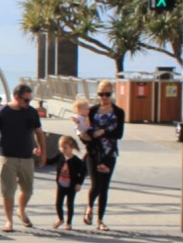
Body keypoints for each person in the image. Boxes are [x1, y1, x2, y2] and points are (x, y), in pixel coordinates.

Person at [0, 82, 47, 232]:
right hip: (7, 156)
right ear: (16, 97)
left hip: (27, 157)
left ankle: (21, 210)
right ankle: (9, 221)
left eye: (30, 100)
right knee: (8, 191)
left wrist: (43, 152)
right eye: (26, 100)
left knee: (28, 190)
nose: (28, 103)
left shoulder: (31, 112)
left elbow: (39, 133)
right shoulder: (2, 112)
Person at [82, 80, 126, 232]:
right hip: (94, 152)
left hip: (109, 153)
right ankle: (89, 207)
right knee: (96, 184)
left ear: (112, 94)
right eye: (101, 94)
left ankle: (100, 220)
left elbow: (119, 134)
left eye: (107, 94)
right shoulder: (92, 111)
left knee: (104, 187)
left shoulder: (118, 112)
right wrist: (84, 136)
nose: (104, 98)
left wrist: (103, 132)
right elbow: (86, 130)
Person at [45, 135, 87, 230]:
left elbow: (83, 172)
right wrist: (40, 155)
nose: (62, 149)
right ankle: (60, 219)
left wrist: (79, 183)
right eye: (60, 147)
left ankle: (69, 223)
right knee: (58, 203)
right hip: (61, 184)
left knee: (69, 204)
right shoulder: (60, 156)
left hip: (71, 186)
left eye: (65, 147)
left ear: (71, 147)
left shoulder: (76, 161)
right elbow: (49, 161)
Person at [71, 95, 108, 173]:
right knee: (92, 146)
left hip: (86, 132)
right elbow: (76, 120)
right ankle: (95, 163)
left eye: (88, 108)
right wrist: (75, 120)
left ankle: (85, 165)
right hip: (83, 133)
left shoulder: (85, 116)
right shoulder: (78, 116)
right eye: (86, 109)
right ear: (78, 110)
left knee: (92, 148)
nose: (88, 110)